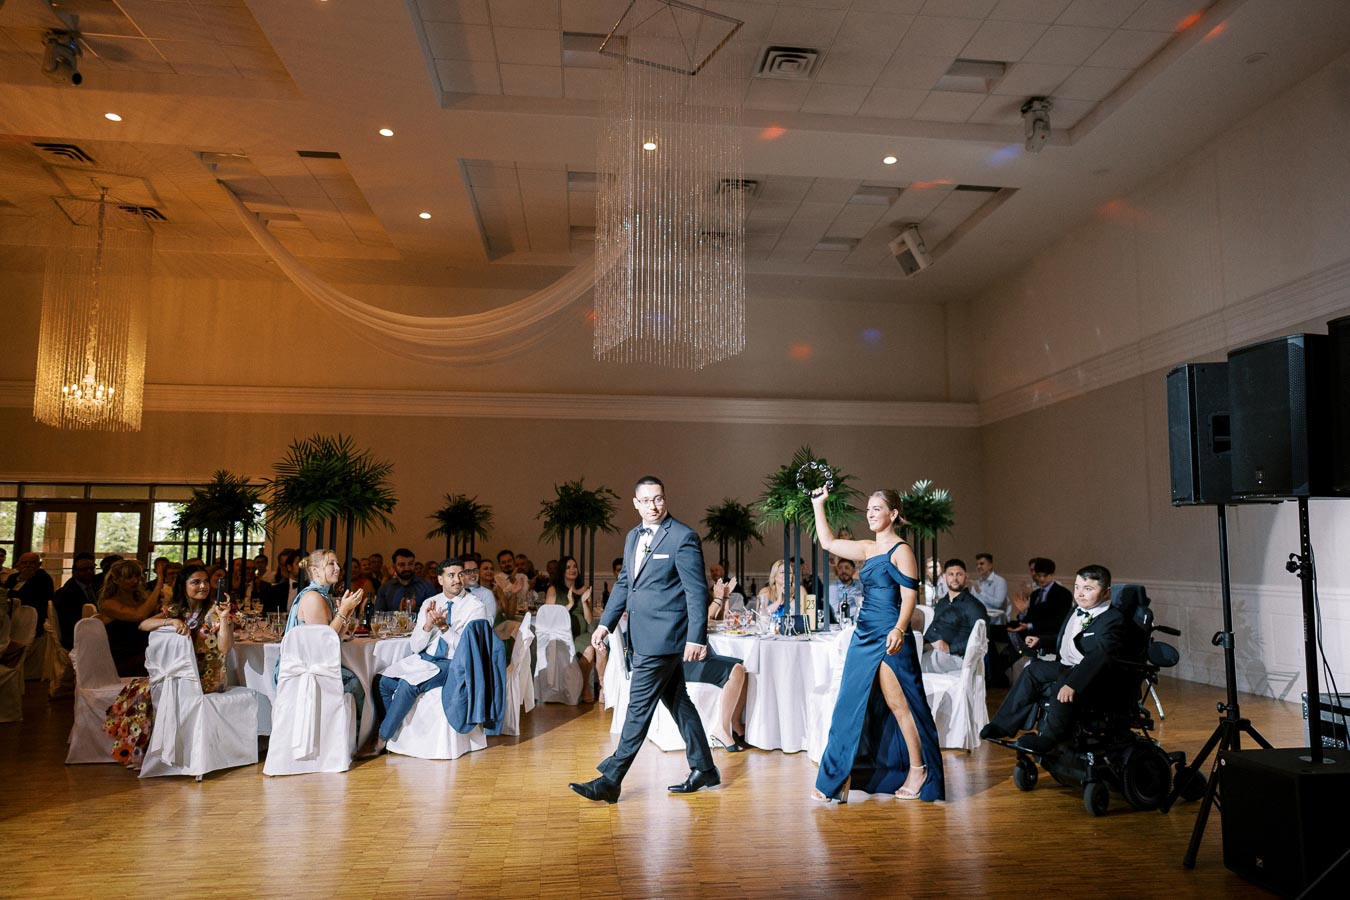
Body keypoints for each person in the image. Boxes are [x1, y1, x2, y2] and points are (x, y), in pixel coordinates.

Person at [569, 476, 717, 803]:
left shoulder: (683, 537)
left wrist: (696, 638)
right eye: (646, 500)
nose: (653, 506)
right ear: (635, 503)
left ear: (666, 499)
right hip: (641, 635)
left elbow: (696, 592)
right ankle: (705, 768)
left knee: (637, 708)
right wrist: (605, 624)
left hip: (665, 639)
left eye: (659, 499)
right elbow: (625, 584)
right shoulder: (633, 536)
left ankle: (611, 778)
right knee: (679, 702)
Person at [808, 487, 944, 803]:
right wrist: (819, 504)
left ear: (893, 514)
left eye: (877, 509)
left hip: (890, 636)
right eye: (868, 509)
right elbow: (827, 543)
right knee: (847, 707)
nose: (870, 514)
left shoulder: (901, 550)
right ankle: (836, 779)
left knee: (899, 706)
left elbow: (910, 596)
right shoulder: (868, 548)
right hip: (864, 635)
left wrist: (899, 628)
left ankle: (917, 769)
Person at [981, 565, 1128, 752]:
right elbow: (1067, 638)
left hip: (1093, 675)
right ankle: (1002, 725)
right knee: (1032, 670)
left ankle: (1049, 738)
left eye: (1088, 589)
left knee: (1064, 681)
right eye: (1077, 587)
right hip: (1066, 665)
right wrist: (1042, 641)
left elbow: (1101, 655)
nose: (1080, 594)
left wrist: (1073, 683)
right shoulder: (1077, 610)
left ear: (1106, 593)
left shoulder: (1113, 619)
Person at [103, 564, 235, 768]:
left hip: (206, 678)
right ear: (183, 586)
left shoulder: (214, 612)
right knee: (139, 689)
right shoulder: (175, 610)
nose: (203, 586)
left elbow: (225, 649)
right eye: (196, 582)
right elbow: (143, 624)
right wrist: (170, 621)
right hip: (179, 676)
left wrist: (225, 618)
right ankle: (145, 752)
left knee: (148, 690)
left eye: (205, 582)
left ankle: (148, 754)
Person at [376, 557, 487, 742]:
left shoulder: (476, 607)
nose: (457, 580)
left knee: (408, 685)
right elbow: (416, 646)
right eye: (451, 575)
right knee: (382, 682)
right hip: (426, 659)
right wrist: (427, 626)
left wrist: (444, 628)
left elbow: (469, 650)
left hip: (454, 663)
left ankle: (381, 739)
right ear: (440, 579)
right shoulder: (430, 603)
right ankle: (397, 734)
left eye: (460, 575)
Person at [273, 549, 365, 722]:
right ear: (315, 571)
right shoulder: (313, 598)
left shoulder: (323, 596)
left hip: (315, 664)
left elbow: (334, 639)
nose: (337, 567)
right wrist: (342, 611)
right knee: (356, 682)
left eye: (337, 563)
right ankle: (356, 738)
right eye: (331, 563)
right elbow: (323, 645)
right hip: (304, 671)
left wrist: (348, 612)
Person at [545, 555, 598, 703]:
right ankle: (572, 687)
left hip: (581, 634)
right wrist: (569, 604)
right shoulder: (553, 590)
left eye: (574, 566)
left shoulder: (585, 589)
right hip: (560, 634)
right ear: (562, 571)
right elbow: (549, 618)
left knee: (589, 649)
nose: (572, 570)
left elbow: (588, 619)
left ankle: (583, 687)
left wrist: (584, 602)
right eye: (568, 567)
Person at [921, 559, 989, 674]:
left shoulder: (974, 606)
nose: (955, 578)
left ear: (966, 576)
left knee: (912, 666)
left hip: (958, 658)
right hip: (937, 653)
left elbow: (981, 639)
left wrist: (950, 649)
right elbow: (933, 629)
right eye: (951, 574)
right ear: (944, 577)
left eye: (959, 574)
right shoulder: (942, 603)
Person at [97, 559, 159, 677]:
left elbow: (147, 621)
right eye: (129, 577)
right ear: (115, 580)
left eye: (137, 576)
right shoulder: (108, 604)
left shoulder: (140, 600)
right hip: (124, 660)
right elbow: (138, 616)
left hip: (144, 653)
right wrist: (159, 584)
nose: (135, 581)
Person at [52, 553, 98, 650]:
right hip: (76, 638)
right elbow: (68, 623)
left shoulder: (95, 587)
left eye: (91, 568)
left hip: (92, 631)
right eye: (84, 569)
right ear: (75, 572)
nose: (89, 572)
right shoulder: (65, 593)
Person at [4, 551, 55, 631]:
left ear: (39, 565)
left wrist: (22, 581)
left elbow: (28, 599)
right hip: (11, 617)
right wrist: (21, 580)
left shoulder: (43, 578)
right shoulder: (13, 577)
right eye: (24, 563)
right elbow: (5, 595)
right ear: (19, 565)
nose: (28, 565)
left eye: (32, 563)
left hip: (33, 620)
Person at [374, 548, 435, 613]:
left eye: (410, 564)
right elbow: (378, 615)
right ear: (394, 566)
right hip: (392, 622)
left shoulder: (426, 586)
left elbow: (433, 613)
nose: (407, 568)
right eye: (402, 565)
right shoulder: (385, 588)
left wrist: (414, 609)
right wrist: (399, 615)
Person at [261, 549, 301, 615]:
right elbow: (267, 615)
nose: (285, 568)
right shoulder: (274, 590)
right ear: (289, 567)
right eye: (282, 565)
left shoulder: (314, 589)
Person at [829, 557, 864, 622]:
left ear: (854, 570)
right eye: (840, 568)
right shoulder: (832, 588)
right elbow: (837, 613)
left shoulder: (861, 585)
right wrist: (858, 610)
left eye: (847, 568)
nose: (843, 571)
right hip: (842, 623)